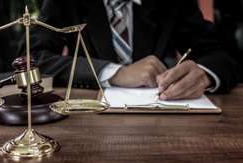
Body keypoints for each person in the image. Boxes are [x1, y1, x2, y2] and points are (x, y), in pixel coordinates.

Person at [18, 0, 239, 100]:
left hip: (161, 123)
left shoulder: (173, 3)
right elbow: (31, 58)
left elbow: (221, 54)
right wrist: (115, 73)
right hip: (85, 120)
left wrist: (204, 74)